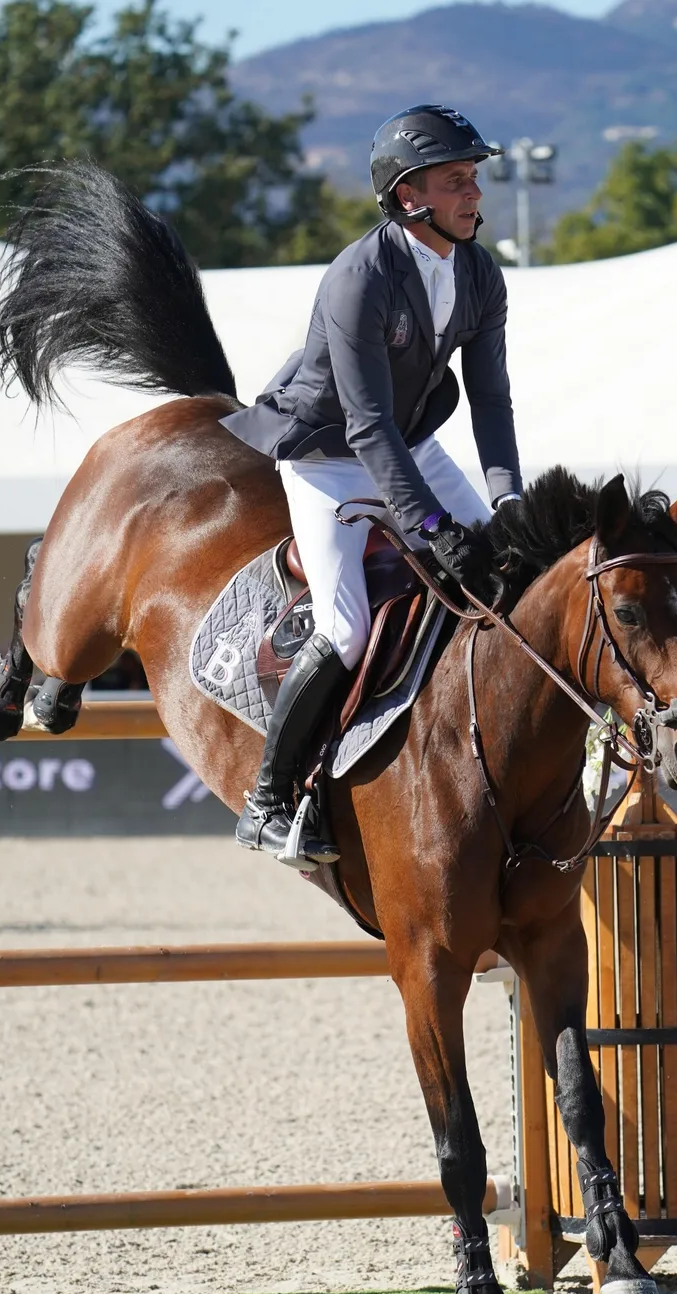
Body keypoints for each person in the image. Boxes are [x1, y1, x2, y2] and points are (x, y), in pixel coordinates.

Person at [222, 103, 523, 863]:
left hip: (411, 442)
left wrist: (508, 502)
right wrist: (429, 528)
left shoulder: (480, 271)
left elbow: (490, 399)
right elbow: (364, 425)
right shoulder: (359, 277)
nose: (475, 194)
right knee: (346, 628)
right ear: (408, 194)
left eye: (475, 178)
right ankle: (270, 797)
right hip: (327, 452)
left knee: (511, 575)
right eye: (458, 180)